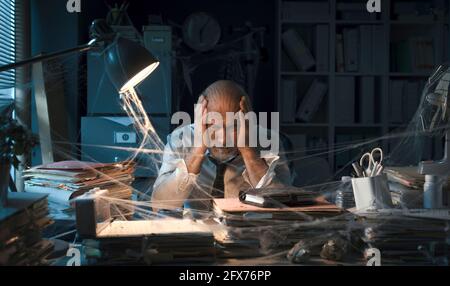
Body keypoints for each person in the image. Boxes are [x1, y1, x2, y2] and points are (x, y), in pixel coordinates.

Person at [151, 80, 291, 216]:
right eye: (213, 125)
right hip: (196, 235)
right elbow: (159, 206)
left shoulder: (268, 141)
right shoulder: (181, 139)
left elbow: (282, 206)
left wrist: (249, 151)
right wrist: (198, 148)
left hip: (250, 233)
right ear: (200, 118)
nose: (223, 140)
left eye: (234, 126)